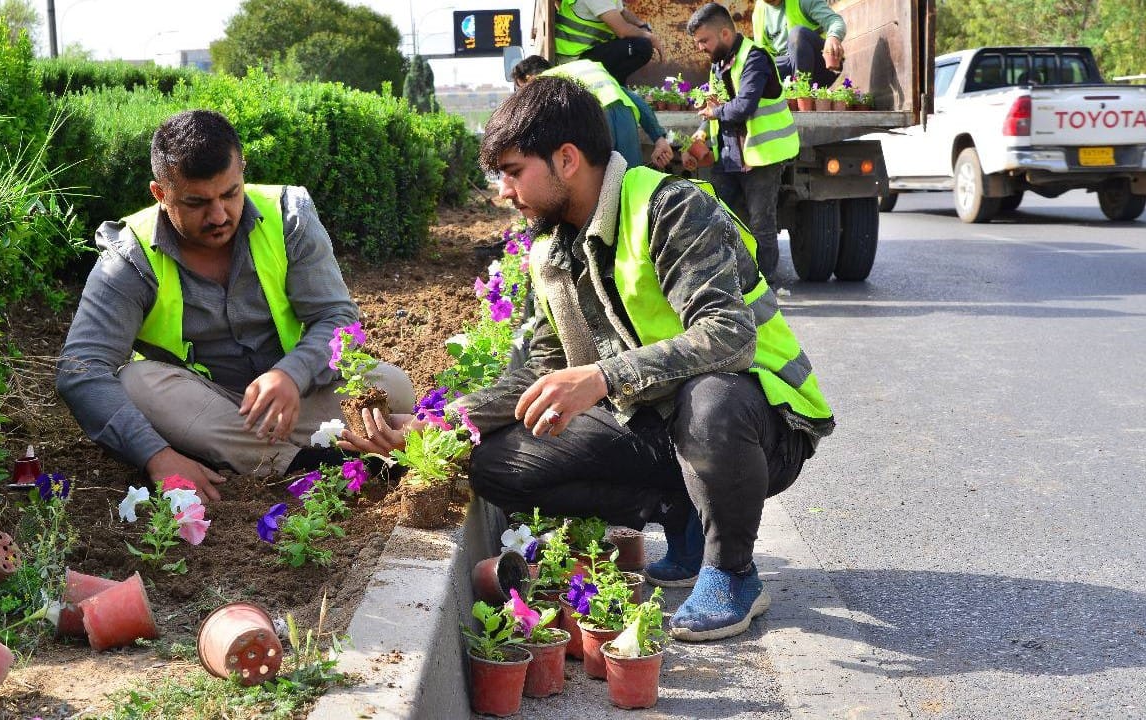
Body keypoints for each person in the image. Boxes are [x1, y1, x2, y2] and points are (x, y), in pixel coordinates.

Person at [340, 76, 834, 642]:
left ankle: (733, 573)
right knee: (494, 462)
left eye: (512, 171)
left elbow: (729, 335)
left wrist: (602, 376)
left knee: (711, 399)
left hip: (761, 424)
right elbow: (537, 369)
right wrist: (444, 424)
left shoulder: (670, 208)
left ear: (567, 159)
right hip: (655, 421)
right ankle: (682, 513)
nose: (503, 191)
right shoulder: (551, 248)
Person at [57, 109, 415, 503]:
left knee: (393, 386)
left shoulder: (288, 215)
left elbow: (337, 317)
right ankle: (313, 461)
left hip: (297, 399)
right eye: (196, 203)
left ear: (242, 169)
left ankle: (270, 452)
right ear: (160, 194)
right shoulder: (130, 256)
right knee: (136, 383)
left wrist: (291, 375)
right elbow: (81, 368)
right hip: (204, 407)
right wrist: (157, 456)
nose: (219, 215)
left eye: (230, 193)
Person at [686, 2, 799, 279]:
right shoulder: (719, 63)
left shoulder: (755, 58)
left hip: (761, 158)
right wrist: (701, 132)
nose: (700, 47)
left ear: (725, 34)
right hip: (728, 158)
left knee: (761, 225)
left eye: (704, 41)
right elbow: (715, 107)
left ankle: (766, 287)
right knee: (717, 221)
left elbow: (743, 106)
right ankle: (728, 282)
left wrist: (714, 112)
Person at [511, 55, 673, 170]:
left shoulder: (545, 81)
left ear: (530, 78)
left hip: (596, 119)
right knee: (633, 179)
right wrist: (659, 138)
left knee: (600, 187)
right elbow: (636, 100)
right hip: (625, 114)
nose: (527, 93)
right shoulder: (587, 66)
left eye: (524, 87)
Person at [554, 0, 664, 86]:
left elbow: (622, 12)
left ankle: (614, 85)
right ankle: (607, 87)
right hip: (574, 59)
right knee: (642, 47)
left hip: (585, 50)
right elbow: (622, 30)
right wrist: (651, 38)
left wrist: (641, 25)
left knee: (637, 43)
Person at [751, 0, 846, 90]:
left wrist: (833, 37)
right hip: (786, 66)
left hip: (818, 64)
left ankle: (802, 93)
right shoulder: (759, 12)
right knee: (755, 63)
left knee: (797, 34)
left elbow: (835, 21)